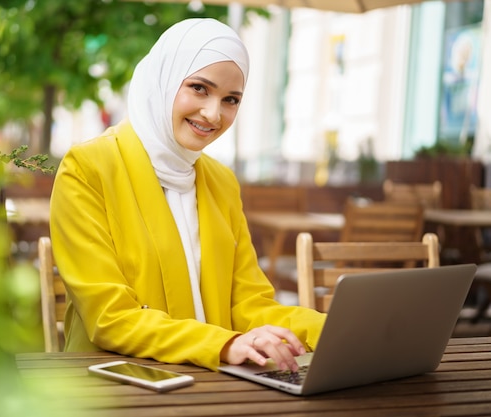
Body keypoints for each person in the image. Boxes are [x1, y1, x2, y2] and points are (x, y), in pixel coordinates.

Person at [50, 18, 326, 372]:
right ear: (164, 80)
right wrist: (225, 344)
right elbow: (110, 316)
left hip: (213, 384)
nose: (213, 114)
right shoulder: (88, 168)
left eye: (231, 99)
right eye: (199, 88)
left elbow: (248, 304)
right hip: (118, 384)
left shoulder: (221, 182)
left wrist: (330, 329)